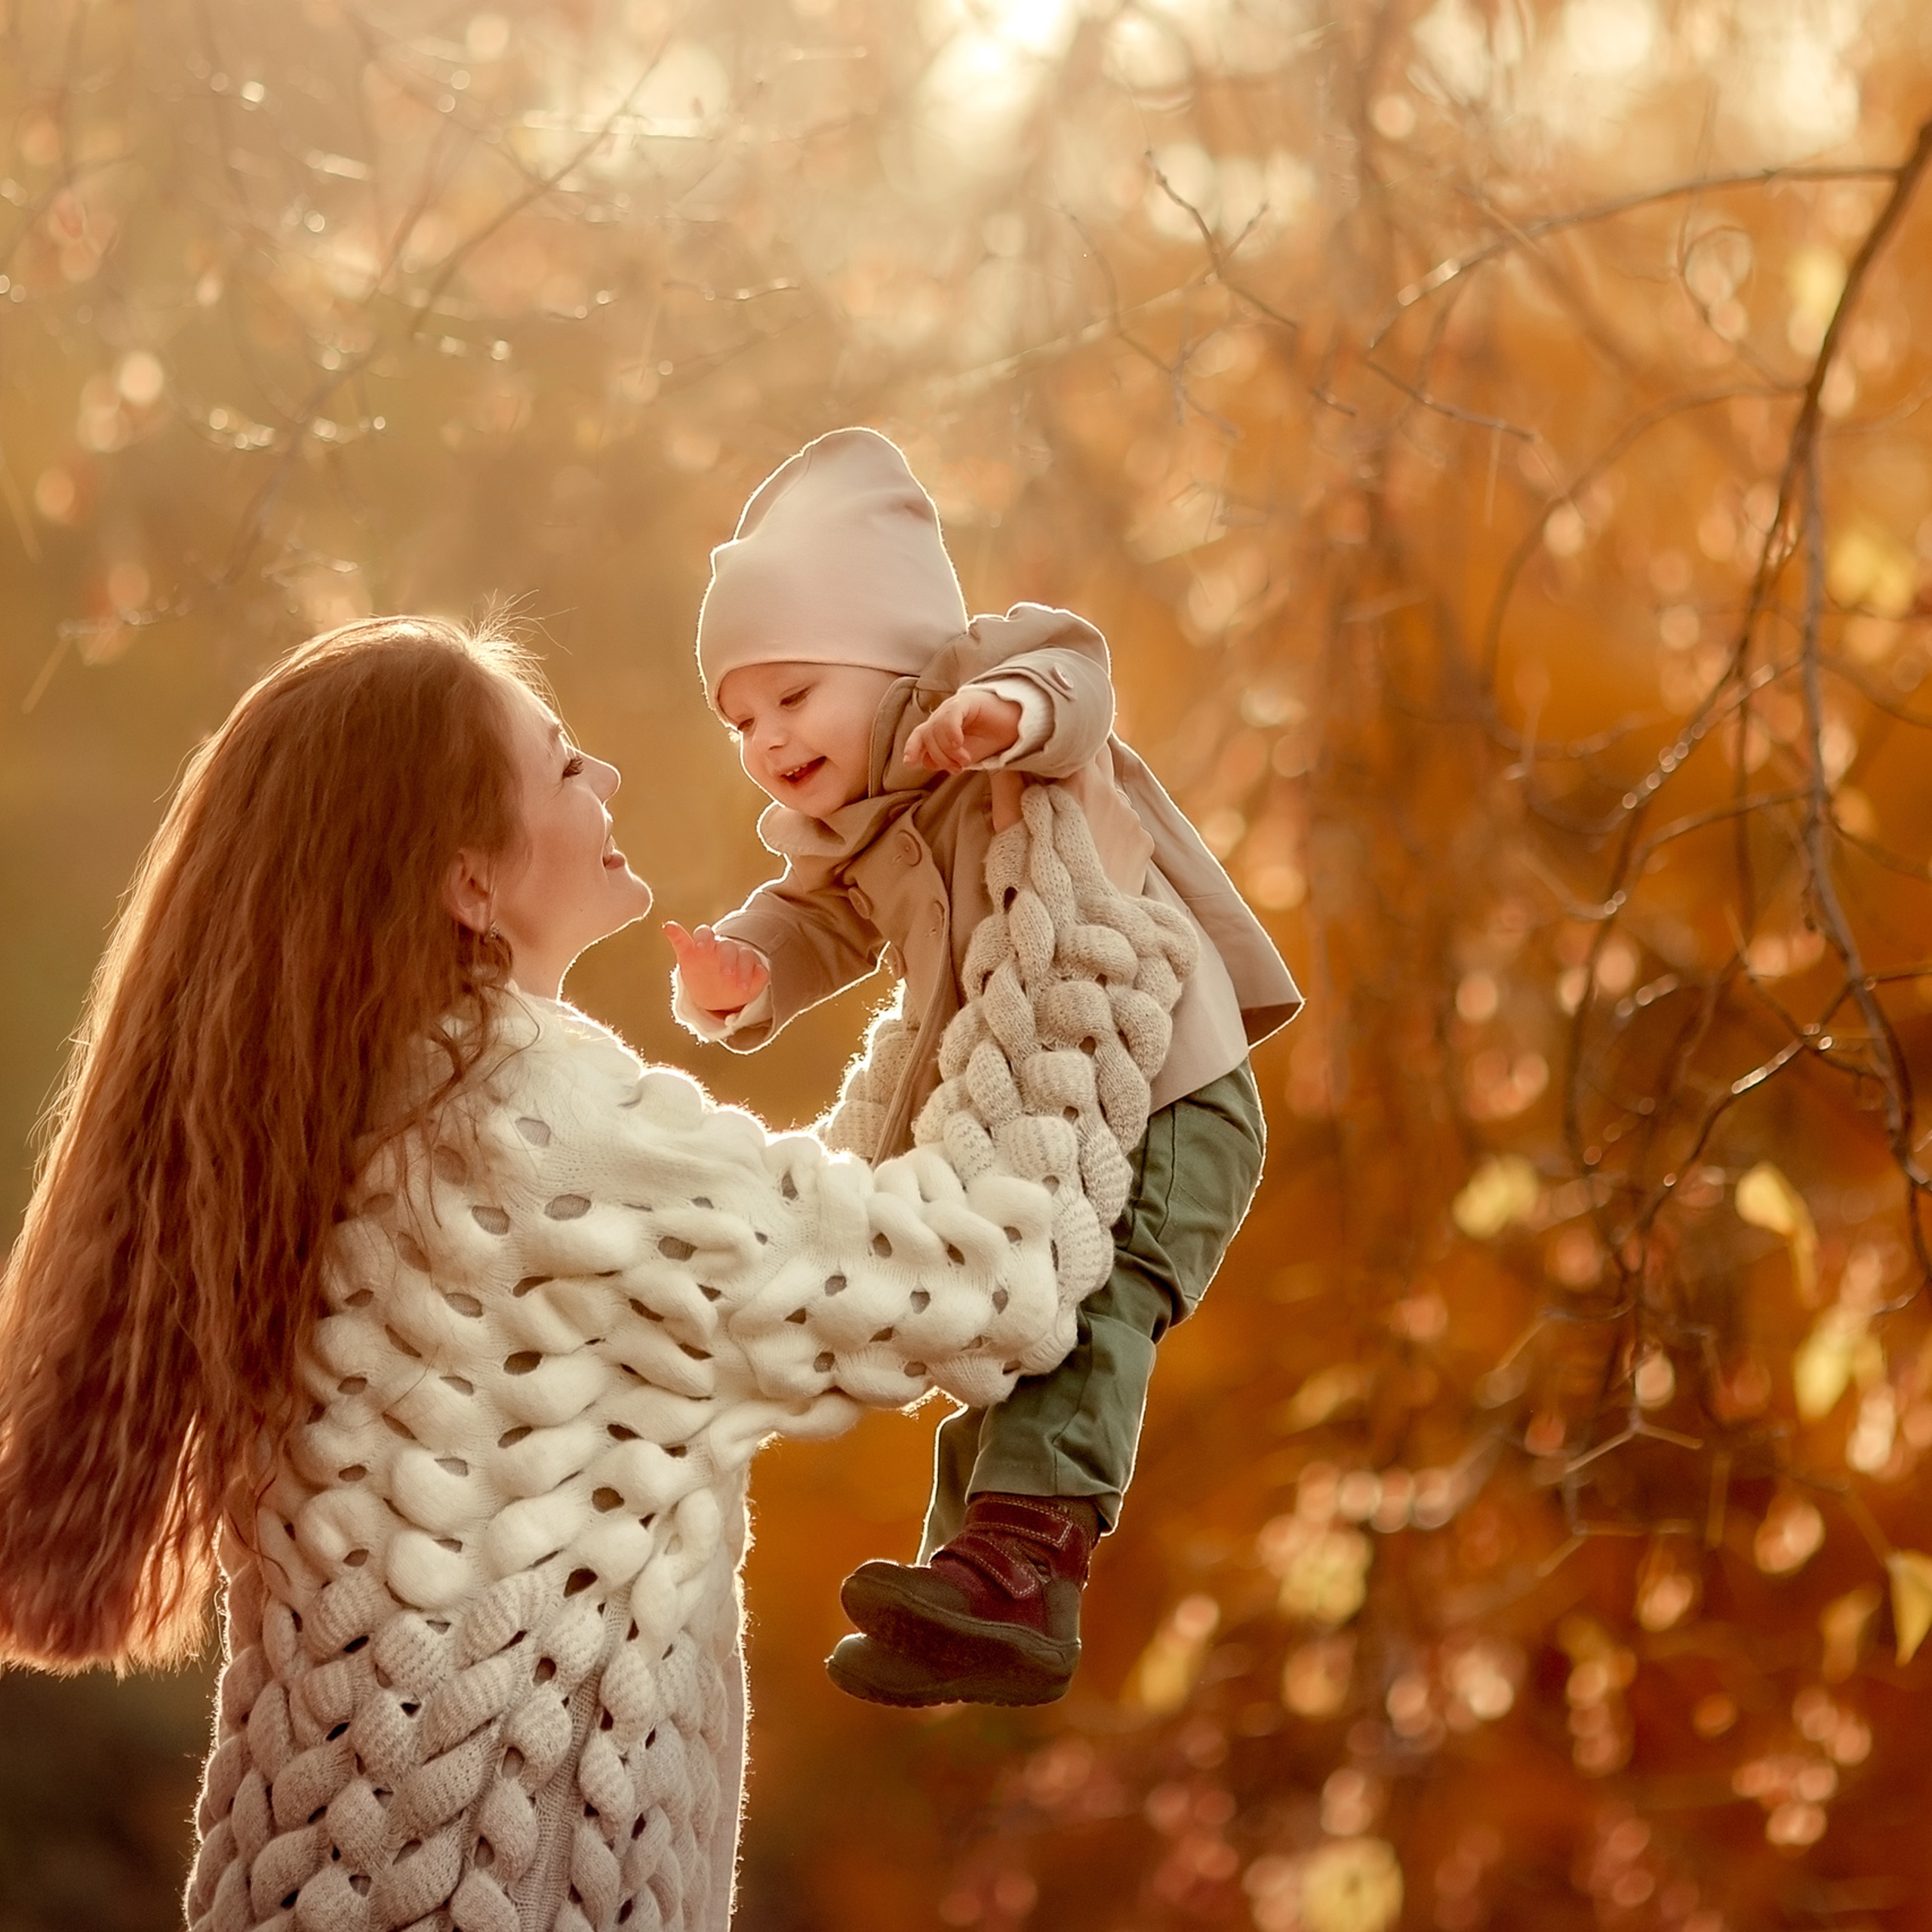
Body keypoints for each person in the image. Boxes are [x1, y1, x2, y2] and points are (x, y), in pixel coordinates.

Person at [0, 614, 1090, 1932]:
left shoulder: (367, 1112)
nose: (610, 781)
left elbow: (795, 1241)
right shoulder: (521, 1112)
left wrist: (931, 983)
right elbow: (983, 1283)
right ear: (470, 882)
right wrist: (1055, 872)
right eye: (566, 767)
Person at [663, 428, 1301, 1709]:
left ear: (889, 652)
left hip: (1170, 1094)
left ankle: (1024, 1568)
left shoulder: (992, 691)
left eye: (792, 695)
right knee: (1010, 1315)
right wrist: (748, 967)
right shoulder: (863, 829)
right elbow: (822, 916)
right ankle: (977, 1589)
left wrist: (1000, 718)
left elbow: (1078, 687)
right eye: (740, 716)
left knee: (1090, 1304)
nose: (766, 737)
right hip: (1051, 1111)